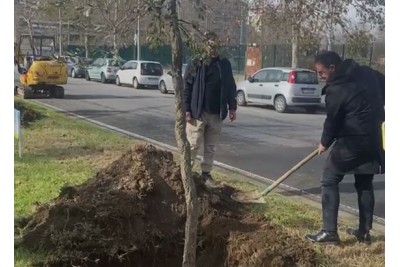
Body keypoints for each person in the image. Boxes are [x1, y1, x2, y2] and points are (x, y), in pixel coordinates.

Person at [305, 51, 385, 245]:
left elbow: (332, 120)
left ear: (332, 68)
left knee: (329, 178)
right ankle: (364, 232)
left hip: (352, 141)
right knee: (364, 182)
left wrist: (324, 142)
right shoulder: (368, 73)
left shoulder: (337, 88)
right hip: (374, 138)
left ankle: (329, 232)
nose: (320, 77)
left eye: (321, 72)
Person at [183, 32, 237, 188]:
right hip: (198, 112)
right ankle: (187, 175)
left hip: (216, 113)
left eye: (216, 46)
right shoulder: (196, 63)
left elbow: (230, 86)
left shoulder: (224, 64)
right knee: (193, 144)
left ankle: (206, 175)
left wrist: (232, 106)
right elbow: (187, 86)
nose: (214, 49)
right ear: (205, 45)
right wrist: (187, 109)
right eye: (211, 45)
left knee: (211, 147)